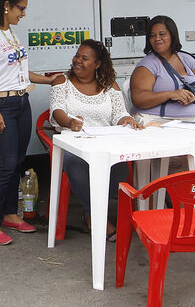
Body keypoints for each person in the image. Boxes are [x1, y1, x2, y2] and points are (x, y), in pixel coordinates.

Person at [0, 0, 61, 246]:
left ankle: (11, 214)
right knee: (4, 164)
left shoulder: (12, 35)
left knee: (18, 160)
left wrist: (50, 80)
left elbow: (22, 74)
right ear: (6, 5)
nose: (23, 14)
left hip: (21, 103)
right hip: (1, 107)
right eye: (20, 8)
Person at [49, 39, 138, 241]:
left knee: (121, 168)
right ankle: (96, 216)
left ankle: (91, 211)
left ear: (97, 64)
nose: (77, 61)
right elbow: (56, 112)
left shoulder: (109, 86)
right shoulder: (62, 82)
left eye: (84, 58)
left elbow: (119, 114)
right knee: (76, 164)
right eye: (77, 56)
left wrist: (126, 119)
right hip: (74, 143)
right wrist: (70, 122)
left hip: (103, 143)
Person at [129, 15, 195, 122]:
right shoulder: (147, 65)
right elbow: (139, 99)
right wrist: (171, 94)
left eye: (162, 34)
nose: (157, 38)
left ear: (173, 35)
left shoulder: (185, 58)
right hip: (160, 122)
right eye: (152, 35)